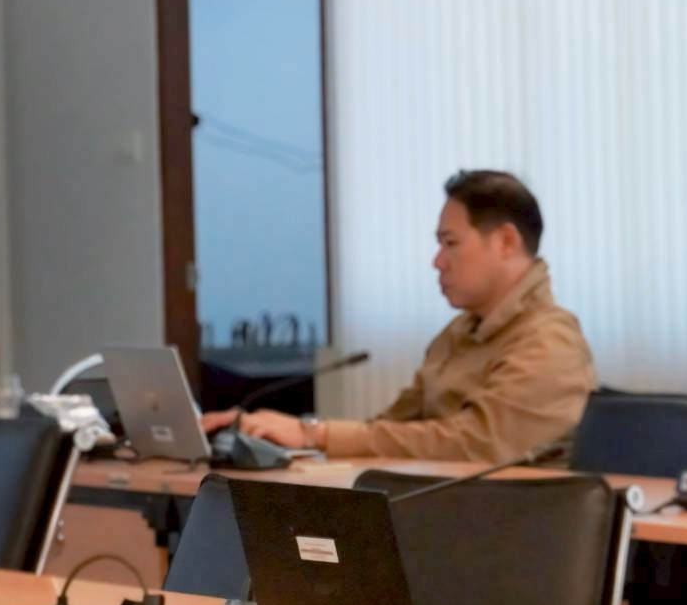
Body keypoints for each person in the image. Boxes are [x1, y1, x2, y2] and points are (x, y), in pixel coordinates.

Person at [205, 170, 597, 462]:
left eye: (451, 243)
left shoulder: (550, 340)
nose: (438, 261)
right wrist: (279, 436)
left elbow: (475, 444)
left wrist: (315, 434)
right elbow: (391, 430)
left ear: (506, 242)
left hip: (502, 529)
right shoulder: (458, 333)